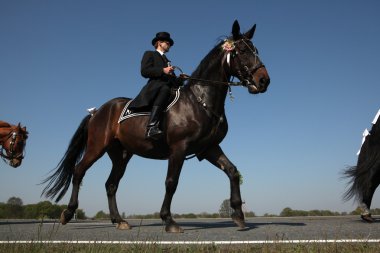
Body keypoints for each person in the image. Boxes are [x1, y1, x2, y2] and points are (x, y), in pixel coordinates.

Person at [128, 32, 176, 140]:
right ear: (159, 43)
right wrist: (162, 70)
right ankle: (151, 127)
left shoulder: (167, 60)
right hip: (156, 87)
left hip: (168, 85)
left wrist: (181, 79)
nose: (169, 45)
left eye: (169, 44)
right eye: (167, 43)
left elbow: (171, 79)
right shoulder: (149, 54)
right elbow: (144, 71)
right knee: (165, 89)